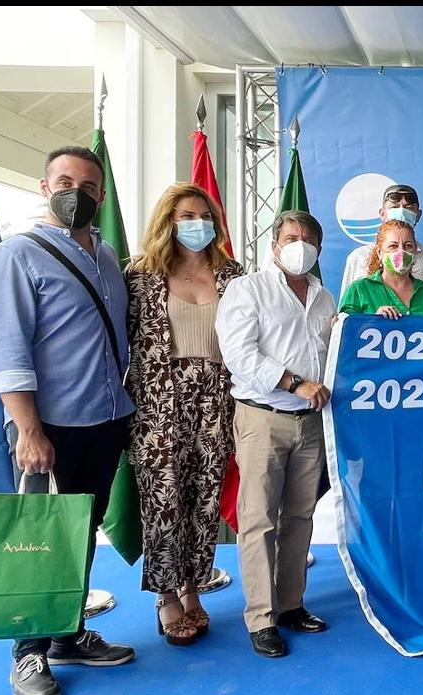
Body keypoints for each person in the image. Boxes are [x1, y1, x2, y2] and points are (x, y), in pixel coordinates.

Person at [0, 146, 136, 695]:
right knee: (37, 539)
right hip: (49, 428)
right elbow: (4, 351)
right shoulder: (14, 257)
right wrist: (28, 430)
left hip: (107, 419)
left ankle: (67, 634)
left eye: (90, 185)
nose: (78, 192)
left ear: (101, 195)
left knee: (78, 533)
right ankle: (28, 652)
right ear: (45, 187)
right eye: (66, 181)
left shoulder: (108, 256)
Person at [124, 183, 244, 645]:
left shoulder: (232, 274)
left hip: (216, 401)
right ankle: (166, 596)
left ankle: (194, 587)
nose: (197, 224)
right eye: (186, 216)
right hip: (158, 406)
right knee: (163, 501)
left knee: (204, 498)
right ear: (168, 222)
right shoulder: (140, 275)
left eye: (204, 215)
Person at [215, 210, 336, 658]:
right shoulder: (248, 289)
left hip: (311, 422)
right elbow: (238, 354)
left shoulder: (325, 298)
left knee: (300, 517)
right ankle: (261, 618)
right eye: (290, 237)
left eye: (307, 239)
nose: (298, 245)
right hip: (263, 416)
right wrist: (294, 383)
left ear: (318, 249)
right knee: (259, 520)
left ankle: (290, 605)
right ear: (274, 244)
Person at [339, 219, 423, 322]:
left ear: (415, 252)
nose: (401, 251)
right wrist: (372, 320)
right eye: (393, 246)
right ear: (380, 253)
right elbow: (343, 332)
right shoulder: (359, 289)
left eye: (408, 246)